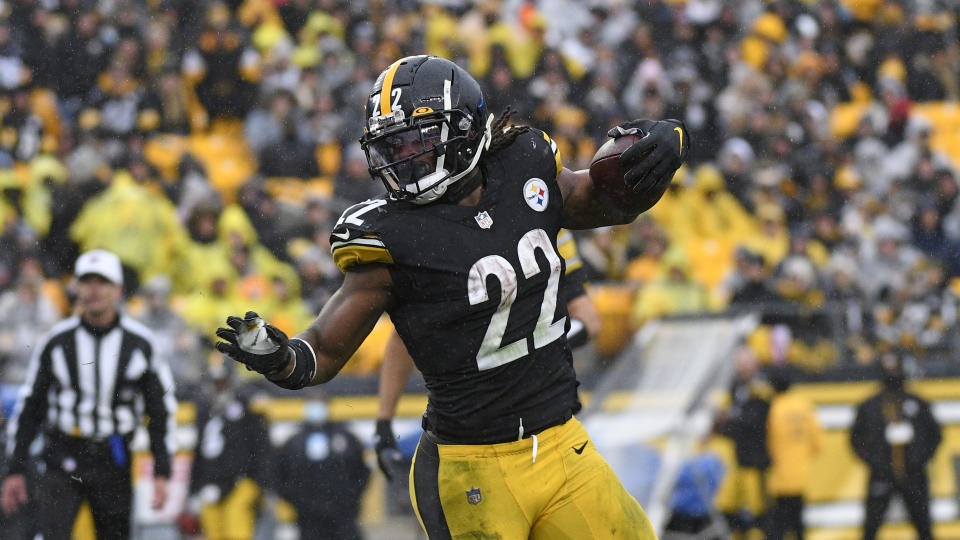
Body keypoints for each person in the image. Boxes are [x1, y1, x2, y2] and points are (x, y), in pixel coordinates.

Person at [215, 54, 688, 537]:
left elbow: (603, 201)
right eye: (391, 145)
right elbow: (324, 350)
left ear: (466, 131)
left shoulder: (524, 163)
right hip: (470, 467)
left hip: (562, 442)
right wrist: (281, 358)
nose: (403, 158)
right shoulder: (391, 237)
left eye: (417, 140)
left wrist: (660, 149)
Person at [373, 227, 601, 483]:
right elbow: (405, 333)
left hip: (544, 413)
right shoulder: (440, 234)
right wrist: (384, 421)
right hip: (473, 422)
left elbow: (589, 321)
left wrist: (531, 347)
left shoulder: (547, 224)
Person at [0, 249, 176, 539]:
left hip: (113, 458)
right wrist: (15, 468)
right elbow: (30, 406)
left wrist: (162, 471)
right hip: (63, 457)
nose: (94, 290)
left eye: (102, 282)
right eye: (87, 281)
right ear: (76, 288)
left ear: (118, 289)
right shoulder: (56, 342)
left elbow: (160, 409)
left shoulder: (140, 344)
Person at [177, 356, 273, 540]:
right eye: (215, 382)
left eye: (222, 381)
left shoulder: (247, 406)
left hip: (241, 482)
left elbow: (261, 446)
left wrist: (260, 483)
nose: (218, 386)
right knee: (214, 534)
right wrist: (194, 489)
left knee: (237, 533)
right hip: (211, 485)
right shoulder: (204, 411)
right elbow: (200, 452)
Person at [850, 350, 941, 540]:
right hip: (882, 474)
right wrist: (875, 461)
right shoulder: (870, 406)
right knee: (871, 527)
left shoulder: (917, 402)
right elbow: (855, 438)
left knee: (923, 525)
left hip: (913, 475)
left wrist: (918, 459)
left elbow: (935, 435)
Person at [275, 398, 370, 540]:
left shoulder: (345, 437)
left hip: (343, 516)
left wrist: (349, 498)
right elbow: (279, 474)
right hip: (308, 517)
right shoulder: (294, 441)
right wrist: (298, 501)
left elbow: (362, 471)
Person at [765, 366, 823, 540]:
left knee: (777, 528)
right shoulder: (804, 406)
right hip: (801, 477)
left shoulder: (772, 409)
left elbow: (767, 445)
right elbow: (818, 443)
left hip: (777, 478)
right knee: (798, 527)